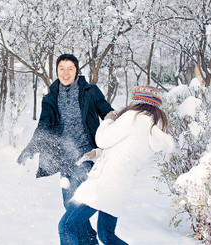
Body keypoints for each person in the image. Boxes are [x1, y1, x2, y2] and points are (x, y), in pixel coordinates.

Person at [58, 85, 174, 245]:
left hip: (103, 184)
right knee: (107, 236)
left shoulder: (133, 117)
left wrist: (108, 121)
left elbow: (102, 139)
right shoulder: (152, 129)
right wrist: (97, 154)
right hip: (119, 188)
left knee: (67, 225)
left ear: (138, 102)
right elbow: (125, 152)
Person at [17, 54, 113, 244]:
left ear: (77, 70)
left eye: (70, 68)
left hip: (87, 155)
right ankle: (89, 240)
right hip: (64, 158)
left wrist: (115, 128)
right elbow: (44, 125)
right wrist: (31, 147)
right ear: (57, 71)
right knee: (69, 204)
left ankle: (87, 241)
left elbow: (107, 112)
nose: (66, 72)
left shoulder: (90, 91)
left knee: (75, 205)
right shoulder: (51, 96)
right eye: (62, 68)